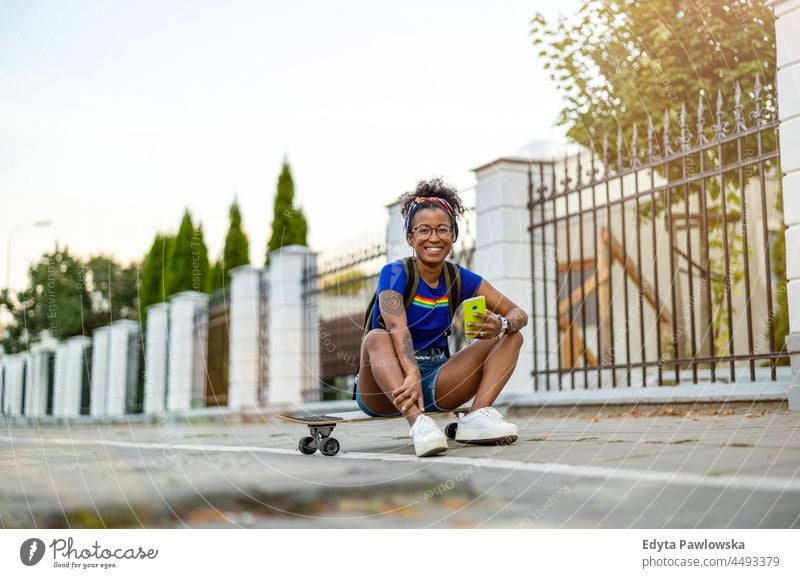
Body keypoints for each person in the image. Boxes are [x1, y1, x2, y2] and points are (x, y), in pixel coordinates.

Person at [355, 177, 528, 457]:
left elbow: (519, 313)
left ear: (453, 235)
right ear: (410, 237)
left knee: (512, 336)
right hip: (384, 386)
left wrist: (503, 323)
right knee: (376, 337)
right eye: (423, 230)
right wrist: (411, 372)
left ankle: (476, 416)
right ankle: (419, 424)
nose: (434, 238)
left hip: (437, 380)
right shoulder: (395, 273)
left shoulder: (458, 277)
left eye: (442, 230)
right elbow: (396, 325)